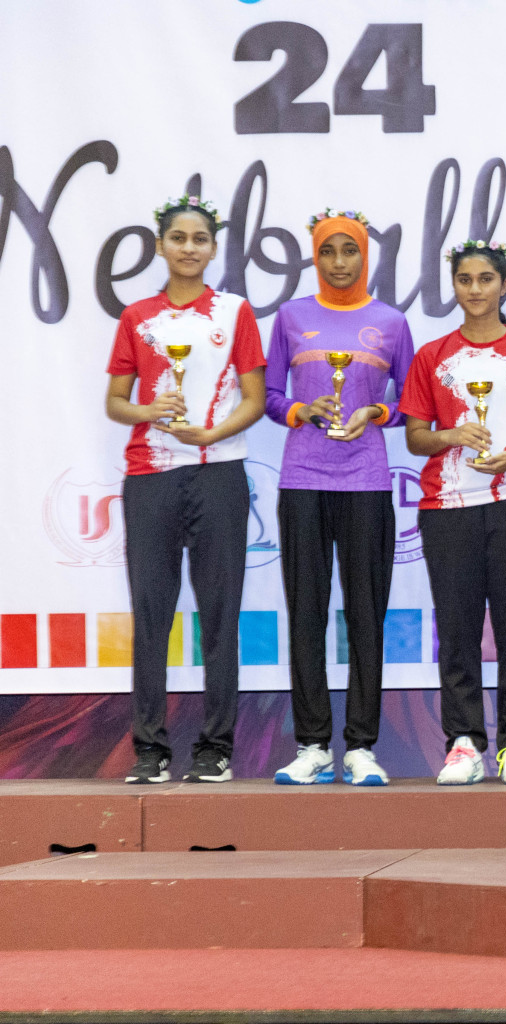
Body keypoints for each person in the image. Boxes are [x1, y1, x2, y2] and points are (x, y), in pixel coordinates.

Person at [105, 194, 267, 784]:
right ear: (160, 246)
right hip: (150, 476)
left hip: (220, 473)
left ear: (213, 247)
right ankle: (149, 747)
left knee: (220, 613)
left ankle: (214, 746)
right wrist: (150, 409)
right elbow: (116, 402)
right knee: (151, 613)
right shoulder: (137, 317)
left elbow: (253, 399)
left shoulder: (234, 312)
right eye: (179, 239)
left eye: (200, 240)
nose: (190, 249)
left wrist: (213, 431)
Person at [399, 240, 506, 785]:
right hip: (447, 508)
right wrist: (450, 435)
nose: (475, 289)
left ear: (503, 285)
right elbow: (417, 437)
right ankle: (464, 742)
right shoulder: (431, 357)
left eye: (485, 279)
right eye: (465, 280)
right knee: (458, 627)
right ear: (454, 286)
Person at [266, 209, 414, 787]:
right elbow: (273, 395)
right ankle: (311, 745)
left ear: (365, 256)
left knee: (365, 615)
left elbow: (412, 403)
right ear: (315, 256)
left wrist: (376, 412)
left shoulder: (391, 322)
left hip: (367, 481)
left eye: (349, 250)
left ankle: (360, 746)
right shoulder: (290, 317)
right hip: (302, 478)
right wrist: (302, 411)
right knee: (306, 613)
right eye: (328, 251)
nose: (339, 262)